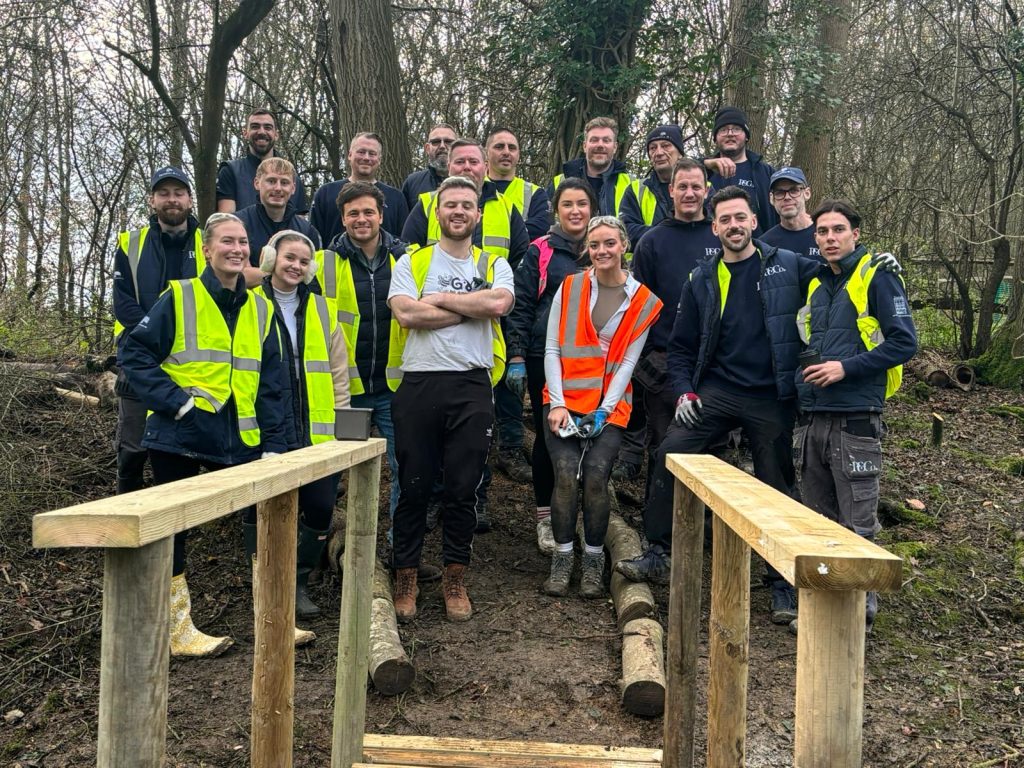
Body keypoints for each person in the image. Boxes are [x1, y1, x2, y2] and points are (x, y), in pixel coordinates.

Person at [615, 187, 903, 622]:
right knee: (669, 452)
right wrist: (684, 392)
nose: (733, 225)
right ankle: (659, 550)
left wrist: (880, 263)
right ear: (715, 227)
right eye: (725, 219)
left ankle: (781, 584)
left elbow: (839, 270)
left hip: (772, 394)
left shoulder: (788, 265)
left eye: (741, 218)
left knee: (776, 481)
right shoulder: (703, 278)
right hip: (716, 390)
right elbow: (680, 348)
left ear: (754, 221)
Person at [120, 212, 287, 657]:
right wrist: (176, 400)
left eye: (243, 242)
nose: (237, 249)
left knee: (265, 525)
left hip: (243, 437)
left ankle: (274, 620)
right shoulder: (180, 297)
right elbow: (133, 353)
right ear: (208, 250)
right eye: (226, 242)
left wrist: (275, 443)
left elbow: (272, 384)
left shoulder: (262, 308)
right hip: (181, 431)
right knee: (173, 530)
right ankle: (177, 629)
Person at [387, 176, 515, 623]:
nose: (458, 211)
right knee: (415, 485)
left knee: (464, 488)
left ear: (477, 215)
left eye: (467, 205)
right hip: (420, 384)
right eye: (450, 205)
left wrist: (440, 299)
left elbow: (499, 305)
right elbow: (405, 313)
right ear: (437, 213)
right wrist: (468, 306)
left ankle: (454, 576)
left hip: (472, 385)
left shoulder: (495, 262)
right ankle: (406, 576)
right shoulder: (411, 261)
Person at [790, 200, 917, 634]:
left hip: (856, 418)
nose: (829, 237)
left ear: (855, 234)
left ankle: (858, 616)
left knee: (857, 523)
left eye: (838, 230)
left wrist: (846, 368)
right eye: (822, 231)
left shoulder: (878, 276)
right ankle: (826, 613)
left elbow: (904, 343)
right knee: (818, 521)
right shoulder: (815, 282)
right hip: (813, 418)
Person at [541, 216, 661, 597]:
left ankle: (593, 560)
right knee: (563, 473)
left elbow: (628, 363)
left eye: (609, 243)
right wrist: (557, 403)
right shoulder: (571, 286)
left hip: (609, 407)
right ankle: (563, 558)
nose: (602, 251)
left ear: (623, 245)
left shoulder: (643, 301)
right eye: (594, 245)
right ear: (587, 249)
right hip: (562, 401)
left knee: (595, 477)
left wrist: (604, 411)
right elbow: (552, 347)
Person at [402, 138, 531, 490]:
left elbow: (519, 263)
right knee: (430, 439)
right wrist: (470, 304)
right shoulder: (426, 204)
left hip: (490, 330)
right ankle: (433, 500)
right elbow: (408, 260)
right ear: (449, 167)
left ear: (484, 167)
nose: (467, 168)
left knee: (478, 426)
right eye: (460, 162)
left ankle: (478, 496)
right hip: (432, 345)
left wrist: (450, 299)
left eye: (474, 162)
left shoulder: (504, 207)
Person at [251, 230, 350, 619]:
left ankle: (299, 581)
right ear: (272, 258)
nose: (295, 265)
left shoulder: (323, 309)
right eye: (289, 257)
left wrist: (342, 427)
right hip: (270, 426)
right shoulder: (252, 303)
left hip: (318, 431)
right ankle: (267, 586)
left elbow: (339, 372)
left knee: (321, 506)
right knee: (268, 510)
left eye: (303, 261)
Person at [614, 158, 722, 485]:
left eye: (696, 186)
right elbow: (637, 309)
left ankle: (707, 532)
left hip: (717, 365)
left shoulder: (722, 235)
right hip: (664, 365)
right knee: (664, 449)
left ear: (707, 190)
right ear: (671, 190)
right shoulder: (651, 242)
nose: (689, 193)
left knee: (714, 456)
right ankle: (658, 533)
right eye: (682, 187)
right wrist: (647, 360)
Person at [506, 178, 597, 553]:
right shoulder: (540, 251)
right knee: (549, 440)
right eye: (567, 205)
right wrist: (515, 356)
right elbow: (522, 304)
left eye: (582, 204)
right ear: (555, 211)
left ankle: (590, 522)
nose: (575, 211)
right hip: (547, 358)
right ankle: (546, 518)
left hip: (595, 363)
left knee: (592, 440)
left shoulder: (604, 245)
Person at [112, 166, 203, 494]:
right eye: (163, 193)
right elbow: (124, 305)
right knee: (132, 450)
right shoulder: (129, 244)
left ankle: (179, 532)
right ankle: (128, 523)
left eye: (179, 193)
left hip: (192, 362)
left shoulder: (209, 242)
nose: (172, 199)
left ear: (190, 200)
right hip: (139, 360)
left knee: (183, 454)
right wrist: (153, 339)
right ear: (152, 200)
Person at [309, 132, 409, 244]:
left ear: (379, 159)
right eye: (361, 152)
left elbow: (403, 240)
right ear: (350, 155)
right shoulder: (325, 193)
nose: (366, 158)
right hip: (334, 261)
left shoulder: (396, 197)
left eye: (372, 153)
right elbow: (314, 239)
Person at [235, 158, 321, 287]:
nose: (278, 188)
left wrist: (263, 272)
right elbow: (239, 275)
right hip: (251, 305)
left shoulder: (306, 231)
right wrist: (288, 273)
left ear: (293, 188)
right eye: (271, 181)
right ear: (257, 183)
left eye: (284, 183)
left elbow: (312, 278)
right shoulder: (238, 224)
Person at [703, 106, 776, 235]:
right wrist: (705, 164)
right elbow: (678, 171)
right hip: (710, 250)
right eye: (723, 130)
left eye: (736, 129)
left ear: (746, 136)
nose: (730, 133)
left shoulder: (765, 172)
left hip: (758, 249)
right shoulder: (703, 173)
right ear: (715, 138)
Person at [217, 108, 306, 213]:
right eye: (255, 126)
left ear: (276, 135)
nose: (261, 132)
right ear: (245, 133)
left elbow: (300, 225)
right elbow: (226, 221)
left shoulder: (292, 178)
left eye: (268, 127)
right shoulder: (230, 171)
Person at [547, 117, 634, 217]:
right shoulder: (559, 183)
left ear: (615, 147)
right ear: (584, 146)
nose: (600, 145)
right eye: (594, 140)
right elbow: (546, 222)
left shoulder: (631, 186)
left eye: (606, 140)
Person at [618, 124, 685, 245]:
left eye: (666, 146)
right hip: (648, 260)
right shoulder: (636, 190)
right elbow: (625, 231)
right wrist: (667, 234)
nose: (659, 153)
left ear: (680, 153)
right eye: (653, 148)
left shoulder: (702, 187)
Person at [484, 127, 551, 240]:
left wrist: (488, 225)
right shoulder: (473, 189)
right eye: (499, 147)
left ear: (518, 154)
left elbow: (542, 229)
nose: (506, 152)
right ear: (486, 153)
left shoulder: (535, 193)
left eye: (512, 148)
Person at [760, 167, 822, 261]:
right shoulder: (764, 245)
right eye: (779, 193)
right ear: (771, 199)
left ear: (807, 193)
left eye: (794, 191)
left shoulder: (826, 234)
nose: (787, 197)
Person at [401, 123, 458, 211]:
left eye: (448, 142)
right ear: (427, 148)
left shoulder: (470, 180)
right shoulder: (412, 183)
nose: (442, 146)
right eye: (436, 142)